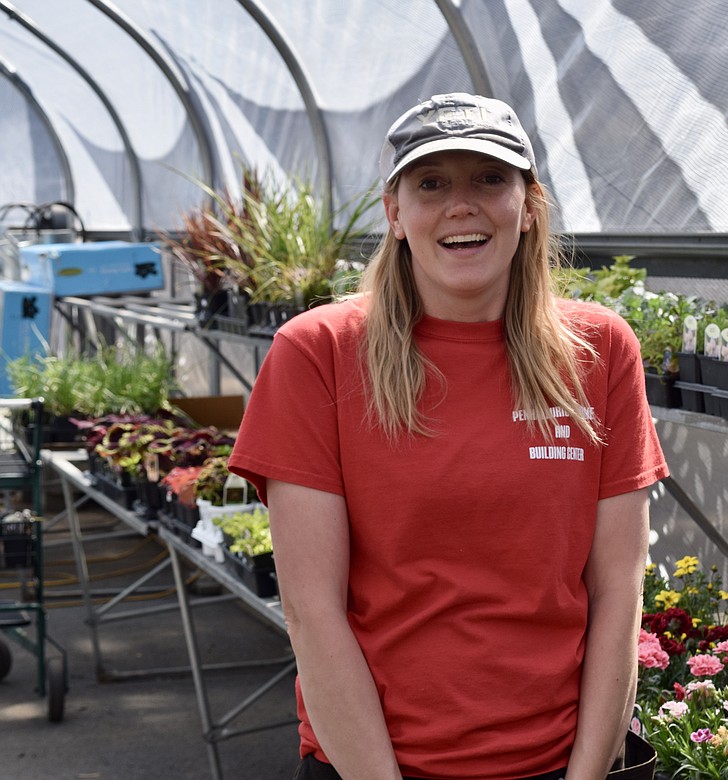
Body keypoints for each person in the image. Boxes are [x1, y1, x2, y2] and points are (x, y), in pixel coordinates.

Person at [228, 93, 669, 780]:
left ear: (528, 206)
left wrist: (586, 774)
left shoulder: (598, 350)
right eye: (432, 183)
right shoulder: (318, 353)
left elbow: (619, 590)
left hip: (558, 763)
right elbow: (313, 610)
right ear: (395, 213)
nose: (461, 205)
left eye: (489, 179)